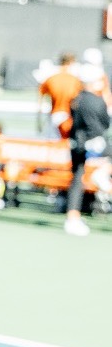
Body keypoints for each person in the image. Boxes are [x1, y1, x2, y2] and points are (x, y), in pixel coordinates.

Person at [64, 59, 110, 237]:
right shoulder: (97, 101)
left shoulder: (76, 99)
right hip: (95, 143)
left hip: (77, 143)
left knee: (76, 179)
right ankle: (102, 172)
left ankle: (72, 217)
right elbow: (105, 123)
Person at [42, 52, 83, 138]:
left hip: (54, 115)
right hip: (68, 115)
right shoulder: (75, 80)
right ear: (71, 63)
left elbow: (42, 96)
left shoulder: (51, 78)